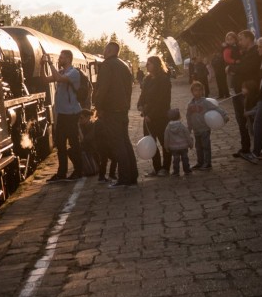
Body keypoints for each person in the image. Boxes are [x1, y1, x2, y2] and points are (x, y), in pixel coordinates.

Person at [93, 41, 137, 187]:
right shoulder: (124, 66)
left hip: (111, 111)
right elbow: (129, 89)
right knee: (125, 143)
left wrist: (98, 106)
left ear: (110, 50)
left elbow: (103, 88)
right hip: (122, 110)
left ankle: (124, 178)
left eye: (105, 49)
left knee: (118, 145)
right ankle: (132, 175)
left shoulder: (107, 65)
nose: (104, 51)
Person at [42, 50, 83, 182]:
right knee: (60, 144)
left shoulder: (73, 73)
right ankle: (61, 172)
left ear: (69, 59)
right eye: (59, 57)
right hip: (62, 114)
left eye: (62, 57)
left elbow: (59, 79)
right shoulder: (61, 72)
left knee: (73, 143)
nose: (59, 59)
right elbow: (45, 79)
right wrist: (43, 64)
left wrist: (49, 63)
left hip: (71, 113)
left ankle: (78, 170)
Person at [227, 30, 261, 163]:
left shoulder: (254, 52)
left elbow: (246, 69)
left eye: (241, 39)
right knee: (241, 121)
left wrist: (232, 69)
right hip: (239, 90)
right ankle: (245, 147)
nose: (239, 42)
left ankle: (258, 148)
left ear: (248, 38)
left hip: (247, 91)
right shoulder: (245, 53)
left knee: (249, 120)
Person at [136, 55, 171, 176]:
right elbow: (143, 95)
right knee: (151, 142)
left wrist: (151, 114)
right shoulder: (147, 79)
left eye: (149, 63)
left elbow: (162, 101)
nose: (146, 66)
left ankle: (165, 168)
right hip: (147, 117)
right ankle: (157, 167)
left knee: (164, 142)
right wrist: (139, 104)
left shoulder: (164, 80)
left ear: (156, 65)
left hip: (160, 116)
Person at [186, 81, 228, 170]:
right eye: (195, 90)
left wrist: (224, 116)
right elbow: (188, 116)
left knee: (206, 146)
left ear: (202, 91)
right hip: (196, 129)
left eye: (199, 90)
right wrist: (189, 128)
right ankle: (200, 162)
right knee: (198, 147)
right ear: (192, 92)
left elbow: (216, 108)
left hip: (205, 128)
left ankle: (207, 163)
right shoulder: (190, 104)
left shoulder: (205, 102)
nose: (197, 92)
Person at [163, 108, 194, 176]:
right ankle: (187, 170)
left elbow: (166, 138)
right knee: (185, 158)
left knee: (176, 160)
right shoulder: (182, 126)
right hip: (183, 146)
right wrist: (191, 144)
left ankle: (176, 172)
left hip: (174, 147)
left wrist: (166, 147)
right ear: (179, 116)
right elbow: (187, 135)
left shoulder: (168, 127)